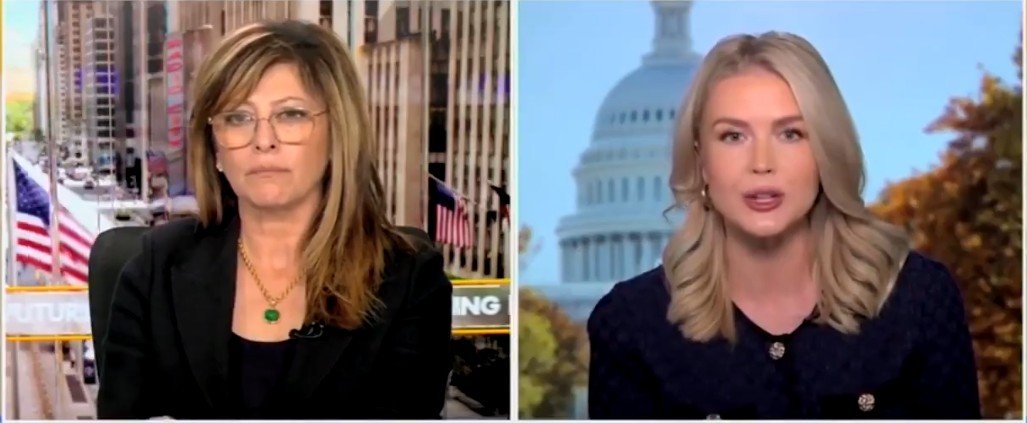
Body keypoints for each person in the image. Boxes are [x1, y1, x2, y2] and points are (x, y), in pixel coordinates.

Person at [587, 32, 980, 419]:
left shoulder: (919, 301)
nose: (762, 162)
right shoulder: (631, 327)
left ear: (825, 151)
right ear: (701, 159)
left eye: (791, 134)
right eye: (733, 136)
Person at [97, 20, 453, 419]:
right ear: (215, 149)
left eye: (291, 115)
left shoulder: (408, 280)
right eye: (237, 118)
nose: (263, 140)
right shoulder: (155, 267)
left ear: (337, 135)